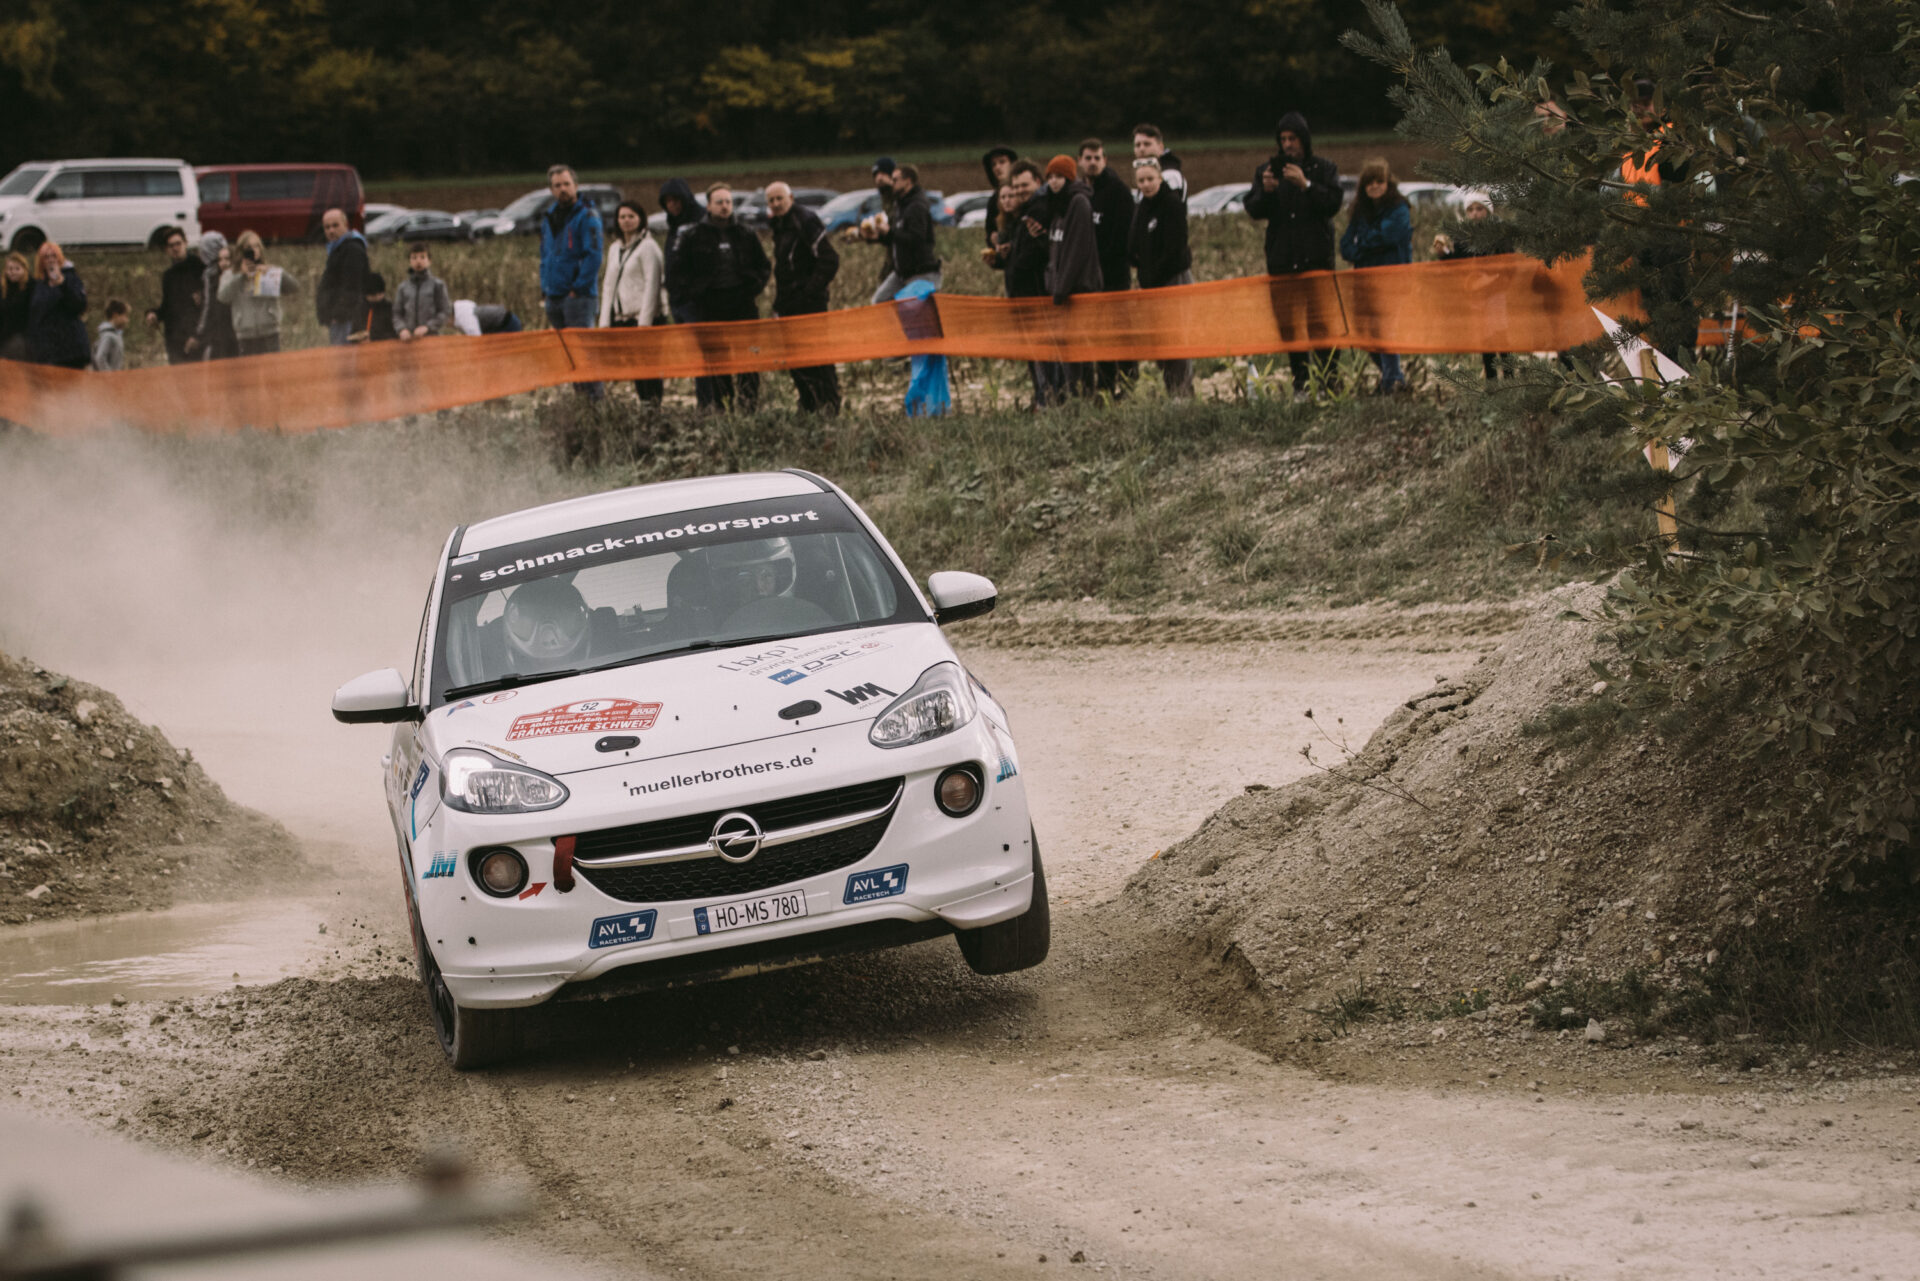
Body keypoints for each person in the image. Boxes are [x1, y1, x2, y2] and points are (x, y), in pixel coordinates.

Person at [1244, 110, 1343, 399]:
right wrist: (1266, 191)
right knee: (1289, 328)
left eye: (1293, 138)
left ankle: (1328, 381)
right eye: (1283, 139)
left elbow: (1334, 202)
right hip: (1282, 263)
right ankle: (1302, 384)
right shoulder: (1268, 169)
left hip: (1316, 260)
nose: (1288, 144)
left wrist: (1306, 185)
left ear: (1304, 140)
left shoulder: (1323, 168)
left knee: (1320, 324)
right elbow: (1252, 208)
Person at [674, 182, 770, 411]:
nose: (725, 206)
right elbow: (679, 272)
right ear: (708, 206)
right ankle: (722, 407)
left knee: (748, 359)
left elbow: (764, 266)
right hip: (710, 306)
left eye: (728, 202)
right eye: (720, 202)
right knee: (718, 360)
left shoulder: (745, 233)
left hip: (743, 304)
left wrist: (754, 287)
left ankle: (748, 406)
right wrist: (695, 294)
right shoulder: (693, 236)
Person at [1339, 157, 1413, 394]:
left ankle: (1389, 382)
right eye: (1369, 183)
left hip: (1392, 279)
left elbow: (1388, 236)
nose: (1374, 187)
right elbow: (1346, 245)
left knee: (1386, 330)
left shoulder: (1399, 208)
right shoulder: (1359, 211)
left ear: (1387, 182)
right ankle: (1395, 378)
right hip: (1364, 281)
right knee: (1366, 333)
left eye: (1379, 182)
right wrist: (1363, 247)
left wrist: (1362, 245)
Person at [767, 181, 842, 415]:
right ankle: (808, 404)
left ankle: (829, 405)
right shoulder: (779, 226)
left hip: (811, 304)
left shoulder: (806, 220)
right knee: (795, 359)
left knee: (818, 356)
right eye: (771, 200)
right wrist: (778, 305)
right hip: (789, 304)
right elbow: (782, 270)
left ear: (790, 197)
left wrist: (810, 291)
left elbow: (829, 259)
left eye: (780, 198)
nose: (776, 204)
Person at [538, 163, 605, 399]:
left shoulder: (587, 216)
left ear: (576, 186)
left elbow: (594, 255)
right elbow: (545, 255)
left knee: (584, 354)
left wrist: (578, 288)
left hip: (578, 298)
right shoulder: (550, 217)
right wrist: (544, 288)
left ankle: (596, 405)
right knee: (568, 356)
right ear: (551, 189)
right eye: (557, 185)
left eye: (567, 184)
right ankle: (581, 404)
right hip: (554, 296)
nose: (563, 189)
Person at [1039, 154, 1102, 403]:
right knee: (1066, 350)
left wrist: (1061, 288)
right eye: (1051, 177)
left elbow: (1076, 250)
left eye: (1059, 177)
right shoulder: (1056, 207)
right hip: (1061, 292)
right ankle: (1072, 398)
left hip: (1078, 292)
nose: (1054, 182)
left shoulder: (1078, 203)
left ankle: (1084, 398)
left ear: (1069, 177)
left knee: (1080, 350)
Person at [1128, 157, 1193, 397]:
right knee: (1160, 343)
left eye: (1150, 179)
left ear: (1160, 178)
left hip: (1171, 279)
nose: (1146, 185)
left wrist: (1153, 274)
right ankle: (1172, 390)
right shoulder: (1141, 207)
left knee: (1176, 338)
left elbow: (1175, 248)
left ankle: (1183, 393)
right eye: (1141, 181)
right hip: (1150, 284)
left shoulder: (1171, 204)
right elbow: (1133, 243)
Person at [1433, 196, 1513, 381]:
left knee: (1500, 333)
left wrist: (1491, 280)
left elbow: (1509, 263)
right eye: (1470, 210)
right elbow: (1457, 262)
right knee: (1485, 336)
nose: (1475, 213)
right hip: (1477, 294)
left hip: (1496, 292)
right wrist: (1443, 254)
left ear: (1488, 211)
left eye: (1479, 209)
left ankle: (1510, 377)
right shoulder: (1464, 237)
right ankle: (1491, 379)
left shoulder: (1499, 233)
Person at [1079, 138, 1136, 396]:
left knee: (1121, 335)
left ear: (1105, 160)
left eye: (1097, 158)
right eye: (1088, 158)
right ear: (1080, 161)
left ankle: (1127, 387)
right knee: (1099, 336)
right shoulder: (1080, 193)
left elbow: (1122, 238)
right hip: (1090, 281)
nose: (1092, 163)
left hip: (1114, 277)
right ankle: (1104, 387)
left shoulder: (1118, 192)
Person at [599, 198, 666, 404]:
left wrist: (644, 323)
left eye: (631, 216)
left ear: (640, 219)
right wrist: (605, 322)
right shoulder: (615, 249)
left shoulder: (648, 247)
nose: (626, 221)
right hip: (623, 317)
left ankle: (653, 409)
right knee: (636, 368)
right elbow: (609, 285)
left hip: (644, 319)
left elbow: (652, 285)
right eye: (622, 217)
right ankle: (644, 407)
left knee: (649, 369)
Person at [995, 161, 1051, 408]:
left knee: (1042, 351)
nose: (1019, 191)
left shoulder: (1041, 210)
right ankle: (1041, 397)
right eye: (1015, 187)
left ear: (1038, 182)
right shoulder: (1023, 215)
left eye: (1024, 185)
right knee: (1033, 351)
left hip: (1037, 293)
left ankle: (1047, 399)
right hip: (1023, 294)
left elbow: (1037, 253)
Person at [659, 176, 713, 405]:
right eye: (668, 201)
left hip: (695, 301)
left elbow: (705, 263)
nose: (673, 205)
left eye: (676, 200)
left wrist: (694, 292)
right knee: (694, 356)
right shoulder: (674, 225)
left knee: (703, 356)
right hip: (677, 299)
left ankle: (708, 403)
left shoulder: (699, 221)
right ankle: (703, 402)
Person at [217, 230, 299, 356]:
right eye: (249, 247)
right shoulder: (231, 274)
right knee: (250, 374)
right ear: (241, 250)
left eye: (257, 246)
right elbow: (223, 297)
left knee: (272, 372)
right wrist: (240, 276)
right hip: (245, 334)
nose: (254, 250)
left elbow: (293, 287)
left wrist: (277, 273)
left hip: (270, 332)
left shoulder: (268, 270)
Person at [871, 163, 940, 304]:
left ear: (908, 181)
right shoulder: (900, 204)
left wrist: (890, 232)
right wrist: (879, 237)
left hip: (921, 273)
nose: (892, 183)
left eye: (895, 180)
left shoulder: (916, 206)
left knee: (910, 310)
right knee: (879, 301)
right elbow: (897, 237)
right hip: (902, 273)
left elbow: (916, 239)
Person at [25, 241, 89, 369]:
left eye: (54, 256)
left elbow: (80, 305)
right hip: (48, 351)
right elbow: (35, 315)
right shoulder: (38, 285)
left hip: (71, 349)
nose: (50, 260)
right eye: (46, 257)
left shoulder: (71, 278)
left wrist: (62, 283)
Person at [144, 227, 203, 364]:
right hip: (174, 341)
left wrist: (197, 335)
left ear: (186, 243)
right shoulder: (168, 276)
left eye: (178, 244)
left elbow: (207, 308)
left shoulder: (199, 268)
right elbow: (167, 307)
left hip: (196, 340)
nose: (175, 248)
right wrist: (155, 314)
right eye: (171, 245)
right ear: (166, 249)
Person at [316, 208, 370, 346]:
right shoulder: (337, 249)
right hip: (338, 319)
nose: (331, 231)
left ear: (345, 225)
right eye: (327, 227)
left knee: (345, 363)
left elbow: (352, 286)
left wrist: (338, 315)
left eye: (335, 225)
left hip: (347, 320)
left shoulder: (352, 249)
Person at [191, 232, 238, 361]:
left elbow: (208, 306)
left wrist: (199, 333)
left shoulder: (209, 276)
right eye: (220, 259)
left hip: (223, 331)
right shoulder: (212, 274)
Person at [394, 242, 451, 342]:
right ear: (409, 261)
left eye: (422, 257)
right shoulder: (403, 287)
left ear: (429, 261)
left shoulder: (437, 285)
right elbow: (397, 313)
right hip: (408, 341)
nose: (418, 261)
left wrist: (427, 327)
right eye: (414, 257)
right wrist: (401, 329)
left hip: (431, 338)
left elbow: (445, 312)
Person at [1132, 124, 1185, 198]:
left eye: (1147, 144)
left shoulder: (1170, 175)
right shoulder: (1146, 172)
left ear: (1161, 147)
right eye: (1137, 145)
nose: (1141, 149)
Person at [980, 145, 1018, 249]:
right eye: (993, 164)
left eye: (1002, 162)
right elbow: (990, 232)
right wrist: (993, 242)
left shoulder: (1022, 191)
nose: (997, 167)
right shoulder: (993, 200)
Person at [0, 253, 32, 360]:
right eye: (9, 269)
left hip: (20, 337)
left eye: (17, 269)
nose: (12, 272)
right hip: (4, 336)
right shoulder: (3, 289)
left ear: (24, 269)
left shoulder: (30, 287)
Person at [349, 272, 398, 342]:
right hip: (362, 350)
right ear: (366, 295)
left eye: (380, 294)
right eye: (373, 295)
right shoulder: (360, 310)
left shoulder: (389, 308)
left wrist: (373, 337)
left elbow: (394, 333)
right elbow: (353, 334)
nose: (377, 297)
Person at [92, 299, 129, 371]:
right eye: (125, 316)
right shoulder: (108, 336)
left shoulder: (116, 335)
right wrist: (110, 377)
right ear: (115, 315)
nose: (127, 320)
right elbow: (100, 358)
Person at [452, 300, 523, 335]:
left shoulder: (466, 319)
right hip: (507, 320)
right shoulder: (463, 309)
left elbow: (476, 339)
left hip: (508, 323)